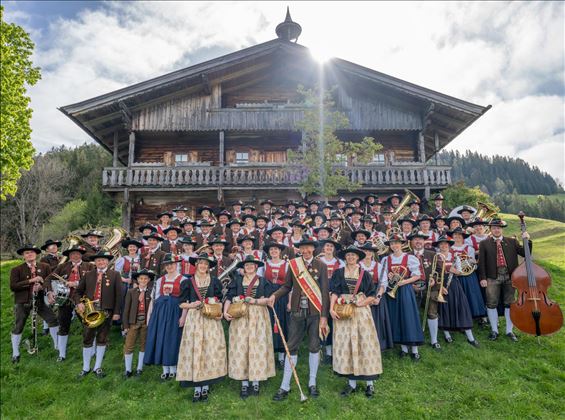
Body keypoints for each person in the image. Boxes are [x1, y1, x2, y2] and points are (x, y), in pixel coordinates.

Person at [268, 237, 329, 401]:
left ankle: (312, 382)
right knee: (291, 346)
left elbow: (324, 292)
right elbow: (287, 286)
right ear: (299, 250)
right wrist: (274, 295)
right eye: (303, 248)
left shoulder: (321, 265)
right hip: (296, 311)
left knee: (314, 346)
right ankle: (285, 385)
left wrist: (324, 316)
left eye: (308, 248)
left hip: (315, 313)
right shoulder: (294, 264)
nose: (305, 251)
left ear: (313, 249)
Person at [330, 246, 382, 398]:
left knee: (364, 343)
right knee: (347, 345)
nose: (351, 257)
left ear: (358, 258)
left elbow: (372, 294)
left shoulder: (365, 274)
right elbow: (334, 292)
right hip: (343, 310)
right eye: (348, 255)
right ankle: (351, 383)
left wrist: (363, 303)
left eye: (353, 255)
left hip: (360, 312)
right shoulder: (338, 273)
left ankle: (370, 384)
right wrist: (332, 309)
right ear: (345, 257)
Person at [177, 253, 226, 403]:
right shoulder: (187, 282)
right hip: (195, 319)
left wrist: (219, 313)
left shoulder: (215, 281)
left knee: (209, 350)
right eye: (200, 263)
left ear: (208, 266)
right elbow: (181, 303)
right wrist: (191, 305)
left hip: (211, 319)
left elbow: (220, 300)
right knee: (196, 350)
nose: (203, 266)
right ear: (196, 265)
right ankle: (196, 388)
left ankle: (206, 386)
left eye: (206, 264)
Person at [224, 255, 275, 399]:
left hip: (258, 317)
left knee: (257, 347)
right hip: (240, 317)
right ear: (244, 268)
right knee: (242, 347)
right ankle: (244, 383)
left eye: (252, 265)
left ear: (256, 267)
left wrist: (255, 301)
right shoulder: (237, 281)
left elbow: (269, 300)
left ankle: (256, 381)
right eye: (247, 265)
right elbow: (229, 297)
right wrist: (225, 311)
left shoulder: (263, 281)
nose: (249, 267)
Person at [478, 218, 531, 342]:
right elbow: (482, 263)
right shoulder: (484, 243)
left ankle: (509, 330)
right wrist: (483, 278)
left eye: (499, 228)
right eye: (494, 228)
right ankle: (494, 330)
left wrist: (527, 240)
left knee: (510, 303)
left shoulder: (511, 242)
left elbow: (525, 254)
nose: (496, 230)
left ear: (502, 229)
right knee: (491, 303)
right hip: (492, 276)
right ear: (490, 229)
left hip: (510, 276)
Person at [74, 250, 121, 378]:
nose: (101, 262)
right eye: (99, 260)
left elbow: (119, 296)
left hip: (106, 311)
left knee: (102, 338)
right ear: (95, 262)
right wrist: (79, 303)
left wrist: (117, 312)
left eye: (104, 260)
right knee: (87, 338)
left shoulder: (115, 275)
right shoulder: (88, 275)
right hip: (90, 311)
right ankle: (85, 368)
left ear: (107, 261)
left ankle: (97, 367)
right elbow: (77, 292)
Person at [10, 244, 58, 363]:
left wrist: (42, 286)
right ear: (23, 256)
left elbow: (49, 282)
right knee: (19, 325)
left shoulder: (45, 266)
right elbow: (13, 286)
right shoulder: (16, 269)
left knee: (52, 319)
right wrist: (31, 281)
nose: (29, 254)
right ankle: (15, 353)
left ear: (36, 254)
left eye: (32, 252)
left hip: (40, 300)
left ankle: (57, 346)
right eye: (27, 253)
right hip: (23, 301)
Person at [45, 245, 93, 362]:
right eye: (72, 254)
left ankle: (91, 351)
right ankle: (62, 354)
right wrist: (49, 292)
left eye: (77, 253)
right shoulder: (62, 267)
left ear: (81, 254)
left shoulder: (89, 266)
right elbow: (48, 279)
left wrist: (76, 283)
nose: (75, 256)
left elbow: (94, 281)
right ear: (69, 256)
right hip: (65, 300)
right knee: (63, 326)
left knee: (88, 325)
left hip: (82, 300)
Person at [383, 234, 424, 361]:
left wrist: (404, 282)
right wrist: (389, 276)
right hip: (392, 290)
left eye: (397, 243)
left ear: (401, 244)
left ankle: (414, 349)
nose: (394, 245)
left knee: (408, 316)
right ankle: (403, 349)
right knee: (396, 317)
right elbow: (383, 277)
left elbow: (417, 276)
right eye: (392, 243)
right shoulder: (386, 259)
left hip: (405, 289)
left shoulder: (409, 258)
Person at [144, 253, 185, 380]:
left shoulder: (183, 280)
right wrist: (149, 317)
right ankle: (165, 369)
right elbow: (153, 300)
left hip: (175, 313)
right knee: (161, 338)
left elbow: (186, 302)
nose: (170, 266)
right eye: (167, 265)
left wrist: (183, 317)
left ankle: (173, 367)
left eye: (172, 264)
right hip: (160, 314)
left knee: (172, 339)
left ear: (176, 265)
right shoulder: (160, 280)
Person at [433, 236, 479, 347]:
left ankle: (470, 337)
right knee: (444, 309)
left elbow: (459, 272)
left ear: (449, 246)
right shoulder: (436, 257)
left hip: (453, 284)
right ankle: (447, 334)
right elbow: (434, 273)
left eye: (446, 244)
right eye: (441, 244)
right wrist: (440, 287)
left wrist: (452, 270)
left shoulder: (455, 257)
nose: (444, 246)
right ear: (439, 246)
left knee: (461, 307)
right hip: (441, 285)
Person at [359, 243, 393, 351]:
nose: (367, 253)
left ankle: (376, 345)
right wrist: (362, 298)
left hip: (376, 297)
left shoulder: (378, 266)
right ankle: (363, 345)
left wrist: (378, 297)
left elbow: (383, 283)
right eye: (365, 251)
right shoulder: (357, 265)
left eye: (369, 251)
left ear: (373, 253)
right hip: (361, 297)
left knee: (376, 321)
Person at [316, 238, 344, 363]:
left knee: (334, 322)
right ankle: (326, 351)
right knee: (322, 320)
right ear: (323, 248)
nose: (329, 248)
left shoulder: (340, 262)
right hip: (320, 294)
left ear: (334, 249)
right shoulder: (317, 261)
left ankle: (335, 351)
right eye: (327, 246)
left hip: (335, 295)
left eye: (331, 246)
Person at [123, 269, 154, 377]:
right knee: (129, 345)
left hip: (146, 323)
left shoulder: (151, 292)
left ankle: (139, 368)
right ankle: (128, 369)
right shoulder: (131, 292)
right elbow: (126, 309)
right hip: (133, 323)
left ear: (149, 280)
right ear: (137, 280)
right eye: (141, 278)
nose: (143, 280)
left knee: (143, 345)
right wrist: (125, 325)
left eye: (146, 278)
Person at [450, 227, 486, 320]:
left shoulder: (469, 248)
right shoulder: (449, 248)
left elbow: (472, 262)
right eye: (455, 235)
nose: (457, 237)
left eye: (459, 236)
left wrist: (465, 266)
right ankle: (460, 317)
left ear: (463, 237)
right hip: (454, 275)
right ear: (452, 237)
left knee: (471, 294)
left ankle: (474, 314)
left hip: (468, 275)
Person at [263, 242, 290, 368]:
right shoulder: (263, 265)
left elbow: (291, 285)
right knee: (268, 323)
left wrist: (289, 301)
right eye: (271, 249)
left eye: (276, 249)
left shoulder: (286, 265)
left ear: (280, 251)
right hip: (267, 297)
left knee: (282, 324)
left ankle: (281, 357)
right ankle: (270, 355)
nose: (274, 251)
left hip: (282, 297)